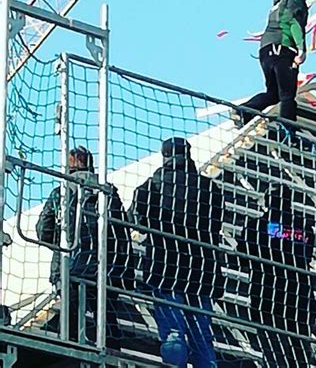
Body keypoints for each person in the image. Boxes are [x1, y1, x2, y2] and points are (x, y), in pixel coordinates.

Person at [130, 137, 224, 368]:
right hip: (202, 270)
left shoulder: (152, 185)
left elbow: (135, 219)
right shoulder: (209, 188)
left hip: (165, 267)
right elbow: (216, 224)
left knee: (173, 331)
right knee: (202, 335)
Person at [36, 146, 134, 349]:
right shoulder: (107, 192)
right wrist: (126, 271)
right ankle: (112, 353)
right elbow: (122, 232)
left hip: (70, 263)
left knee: (71, 317)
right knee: (106, 317)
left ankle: (71, 348)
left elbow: (42, 228)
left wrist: (60, 243)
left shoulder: (61, 192)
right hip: (104, 266)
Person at [237, 183, 316, 367]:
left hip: (268, 296)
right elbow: (307, 255)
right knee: (299, 353)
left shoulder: (256, 227)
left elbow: (241, 257)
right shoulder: (304, 228)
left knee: (274, 353)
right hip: (300, 298)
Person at [239, 0, 316, 126]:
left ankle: (244, 112)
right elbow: (292, 22)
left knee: (274, 94)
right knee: (287, 94)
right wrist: (301, 49)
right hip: (281, 47)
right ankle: (288, 130)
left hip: (266, 50)